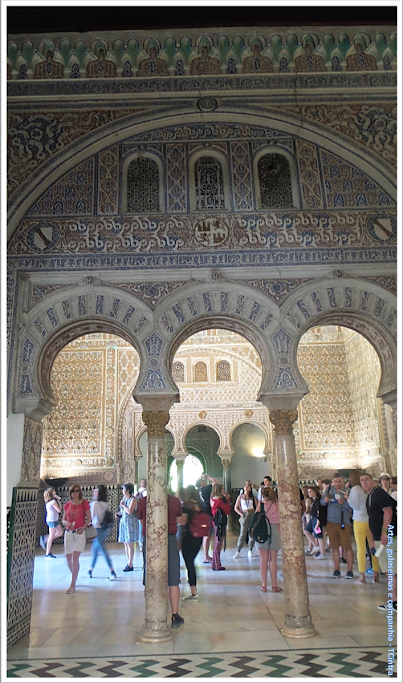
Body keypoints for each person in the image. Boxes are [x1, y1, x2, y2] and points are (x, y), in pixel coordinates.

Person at [137, 492, 184, 628]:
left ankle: (153, 614)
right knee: (173, 578)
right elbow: (179, 518)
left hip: (150, 540)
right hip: (169, 539)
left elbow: (141, 521)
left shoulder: (143, 501)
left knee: (150, 577)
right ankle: (175, 615)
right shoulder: (174, 501)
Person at [360, 472, 397, 612]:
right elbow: (372, 519)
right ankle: (394, 600)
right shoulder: (369, 497)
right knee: (388, 570)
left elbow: (388, 512)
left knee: (393, 570)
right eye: (362, 480)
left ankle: (396, 600)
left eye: (367, 480)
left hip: (388, 537)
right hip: (379, 538)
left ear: (373, 481)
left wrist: (384, 532)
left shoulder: (379, 493)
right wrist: (372, 540)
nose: (365, 483)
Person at [346, 470, 379, 584]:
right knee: (373, 547)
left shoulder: (355, 489)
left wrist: (347, 499)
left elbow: (354, 505)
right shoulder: (369, 490)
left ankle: (362, 576)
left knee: (361, 548)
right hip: (370, 520)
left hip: (359, 520)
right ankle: (375, 574)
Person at [321, 473, 354, 579]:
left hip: (344, 521)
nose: (337, 484)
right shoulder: (329, 490)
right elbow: (322, 502)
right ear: (333, 482)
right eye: (335, 482)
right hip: (331, 522)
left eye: (339, 481)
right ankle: (336, 569)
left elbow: (352, 506)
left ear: (343, 481)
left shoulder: (348, 491)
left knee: (347, 546)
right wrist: (325, 500)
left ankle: (350, 570)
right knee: (334, 547)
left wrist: (344, 503)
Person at [62, 484, 91, 594]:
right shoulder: (67, 505)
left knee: (75, 557)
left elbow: (89, 518)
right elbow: (64, 519)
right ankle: (75, 574)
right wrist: (67, 523)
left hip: (79, 533)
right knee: (68, 557)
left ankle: (72, 583)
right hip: (69, 533)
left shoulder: (84, 503)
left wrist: (83, 528)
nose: (75, 493)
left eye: (77, 491)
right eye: (73, 491)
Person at [178, 485, 203, 601]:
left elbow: (182, 522)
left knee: (189, 564)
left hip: (189, 537)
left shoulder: (187, 505)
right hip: (199, 537)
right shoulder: (200, 504)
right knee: (191, 562)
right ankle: (193, 590)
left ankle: (194, 592)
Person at [255, 487, 282, 592]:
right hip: (275, 530)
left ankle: (264, 585)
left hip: (262, 531)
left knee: (263, 560)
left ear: (263, 495)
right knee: (273, 560)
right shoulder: (278, 504)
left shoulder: (261, 504)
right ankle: (274, 586)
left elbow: (256, 517)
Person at [88, 485, 116, 580]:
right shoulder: (106, 503)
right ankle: (90, 570)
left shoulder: (95, 504)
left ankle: (112, 571)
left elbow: (91, 516)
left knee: (103, 550)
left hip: (97, 529)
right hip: (104, 529)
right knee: (95, 550)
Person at [197, 474, 219, 563]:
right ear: (201, 483)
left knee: (207, 535)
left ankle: (206, 556)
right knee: (207, 535)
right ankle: (206, 556)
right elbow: (216, 482)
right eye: (202, 480)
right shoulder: (205, 489)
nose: (204, 480)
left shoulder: (200, 491)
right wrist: (208, 476)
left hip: (204, 513)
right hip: (208, 514)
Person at [210, 483, 231, 570]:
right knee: (218, 543)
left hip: (215, 522)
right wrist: (228, 500)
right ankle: (217, 565)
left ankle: (215, 564)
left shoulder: (212, 499)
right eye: (222, 489)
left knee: (217, 542)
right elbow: (227, 510)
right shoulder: (219, 500)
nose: (223, 490)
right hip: (220, 523)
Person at [233, 482, 257, 559]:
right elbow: (235, 508)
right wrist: (241, 514)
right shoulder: (240, 497)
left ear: (250, 489)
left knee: (251, 532)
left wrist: (255, 513)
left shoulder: (252, 497)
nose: (246, 487)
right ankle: (238, 550)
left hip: (251, 513)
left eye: (248, 487)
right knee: (242, 533)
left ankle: (250, 549)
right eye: (245, 486)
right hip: (244, 514)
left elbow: (257, 505)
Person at [118, 483, 138, 571]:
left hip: (130, 523)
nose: (122, 491)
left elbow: (129, 511)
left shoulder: (133, 500)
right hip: (124, 522)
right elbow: (123, 511)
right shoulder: (124, 499)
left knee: (130, 543)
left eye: (124, 489)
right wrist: (118, 514)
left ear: (128, 490)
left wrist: (123, 505)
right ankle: (128, 561)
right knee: (125, 543)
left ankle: (130, 563)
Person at [303, 486, 327, 559]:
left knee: (319, 536)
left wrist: (318, 523)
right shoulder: (313, 500)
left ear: (315, 492)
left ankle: (322, 553)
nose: (309, 493)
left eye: (311, 492)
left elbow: (319, 513)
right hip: (313, 519)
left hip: (317, 520)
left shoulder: (318, 501)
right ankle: (316, 546)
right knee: (306, 531)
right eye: (308, 492)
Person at [40, 488, 63, 557]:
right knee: (52, 536)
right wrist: (59, 501)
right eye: (54, 492)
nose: (55, 492)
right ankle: (47, 553)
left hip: (53, 520)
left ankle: (46, 538)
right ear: (51, 494)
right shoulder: (53, 502)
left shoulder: (48, 502)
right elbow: (59, 510)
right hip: (52, 520)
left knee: (60, 532)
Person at [135, 479, 147, 552]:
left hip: (139, 512)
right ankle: (143, 544)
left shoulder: (137, 492)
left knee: (141, 528)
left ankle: (141, 545)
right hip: (145, 512)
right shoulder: (146, 492)